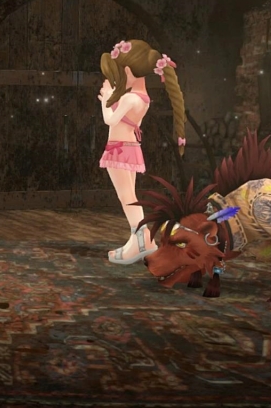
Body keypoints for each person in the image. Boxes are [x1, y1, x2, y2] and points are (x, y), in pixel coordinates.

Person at [99, 40, 185, 264]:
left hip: (118, 149)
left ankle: (142, 239)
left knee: (126, 197)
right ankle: (137, 239)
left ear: (128, 70)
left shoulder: (130, 98)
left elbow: (110, 120)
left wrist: (105, 100)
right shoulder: (143, 98)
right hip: (130, 148)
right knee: (130, 196)